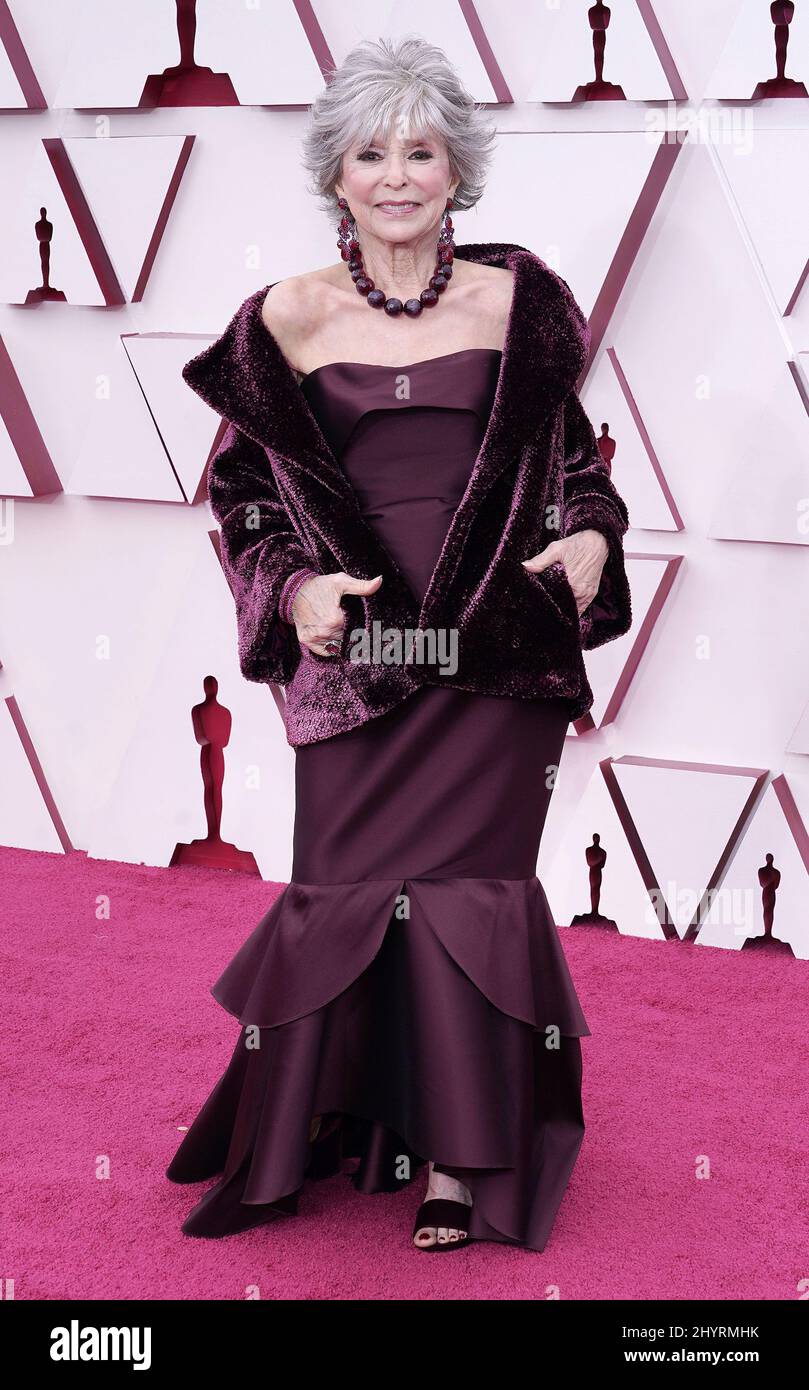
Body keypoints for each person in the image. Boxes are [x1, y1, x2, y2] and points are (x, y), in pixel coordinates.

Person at [167, 34, 632, 1253]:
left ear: (454, 169)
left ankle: (453, 1160)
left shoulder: (516, 304)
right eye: (371, 152)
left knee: (467, 899)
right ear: (336, 173)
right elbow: (246, 504)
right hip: (364, 662)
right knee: (340, 889)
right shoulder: (283, 318)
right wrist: (296, 590)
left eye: (420, 150)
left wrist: (585, 545)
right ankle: (305, 1127)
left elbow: (575, 475)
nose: (396, 175)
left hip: (495, 659)